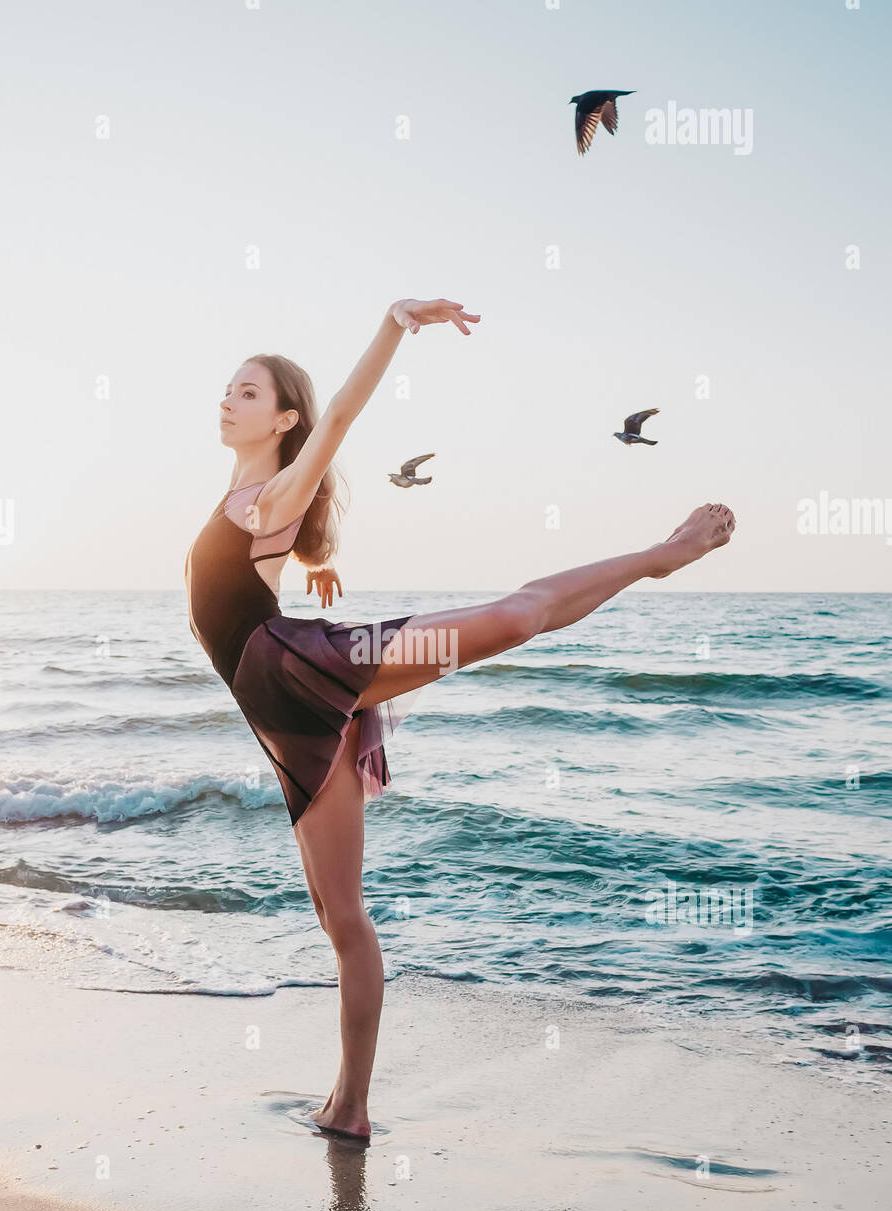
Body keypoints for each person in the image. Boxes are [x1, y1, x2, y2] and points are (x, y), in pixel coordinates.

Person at [184, 296, 735, 1138]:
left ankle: (660, 556)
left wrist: (391, 324)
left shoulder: (273, 494)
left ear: (284, 417)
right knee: (342, 918)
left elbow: (342, 413)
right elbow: (244, 581)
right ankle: (351, 1108)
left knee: (515, 616)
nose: (229, 398)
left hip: (297, 672)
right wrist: (307, 575)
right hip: (285, 718)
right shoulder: (251, 505)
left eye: (249, 392)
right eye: (228, 387)